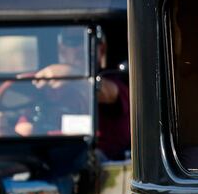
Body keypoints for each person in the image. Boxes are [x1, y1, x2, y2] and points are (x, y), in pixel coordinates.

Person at [26, 28, 131, 157]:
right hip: (55, 158)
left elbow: (109, 93)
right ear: (62, 49)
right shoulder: (47, 90)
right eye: (72, 42)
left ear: (102, 50)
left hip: (101, 162)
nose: (82, 48)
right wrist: (0, 125)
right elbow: (24, 126)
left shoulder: (114, 83)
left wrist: (72, 74)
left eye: (90, 41)